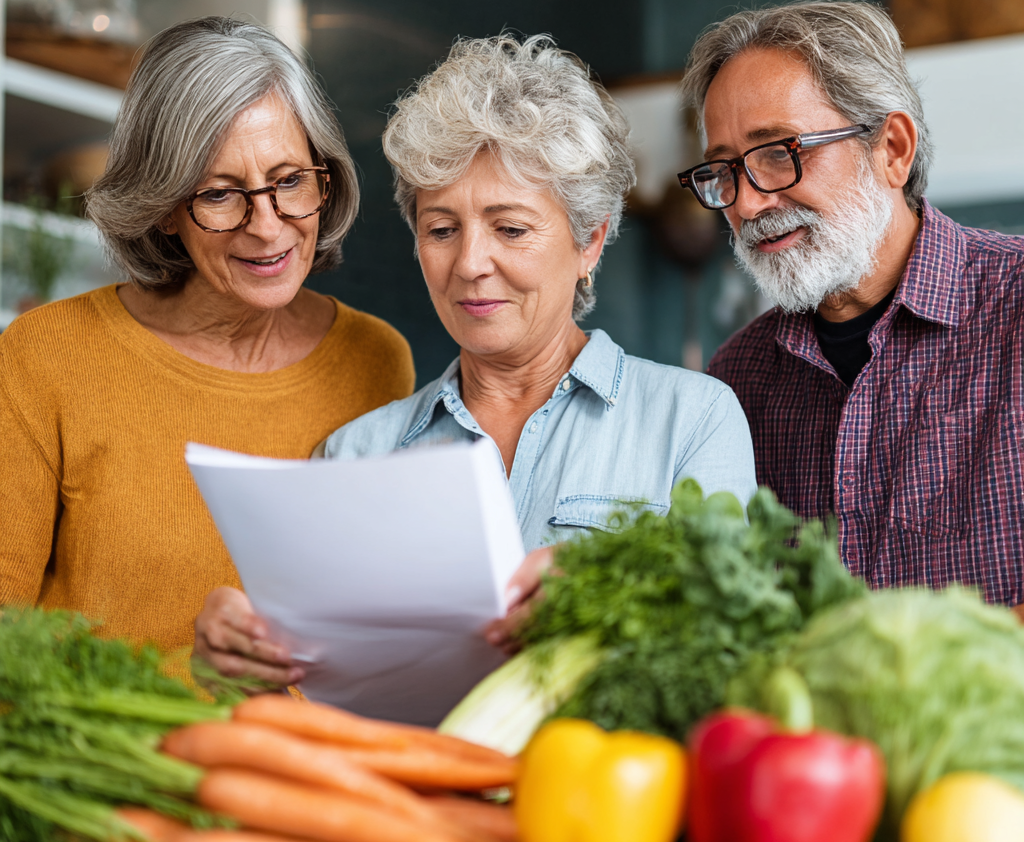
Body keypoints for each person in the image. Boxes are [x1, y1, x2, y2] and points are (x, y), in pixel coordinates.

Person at [195, 34, 758, 687]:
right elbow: (309, 690)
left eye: (510, 228)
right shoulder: (356, 453)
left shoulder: (693, 420)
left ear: (590, 240)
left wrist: (603, 591)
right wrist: (237, 651)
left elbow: (731, 647)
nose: (468, 264)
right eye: (441, 230)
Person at [0, 17, 414, 660]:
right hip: (106, 750)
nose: (268, 227)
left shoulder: (377, 359)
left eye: (290, 181)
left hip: (307, 754)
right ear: (164, 206)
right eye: (221, 195)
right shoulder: (43, 355)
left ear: (322, 174)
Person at [677, 0, 1023, 605]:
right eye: (725, 171)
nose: (749, 206)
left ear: (891, 148)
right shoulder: (734, 383)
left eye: (780, 154)